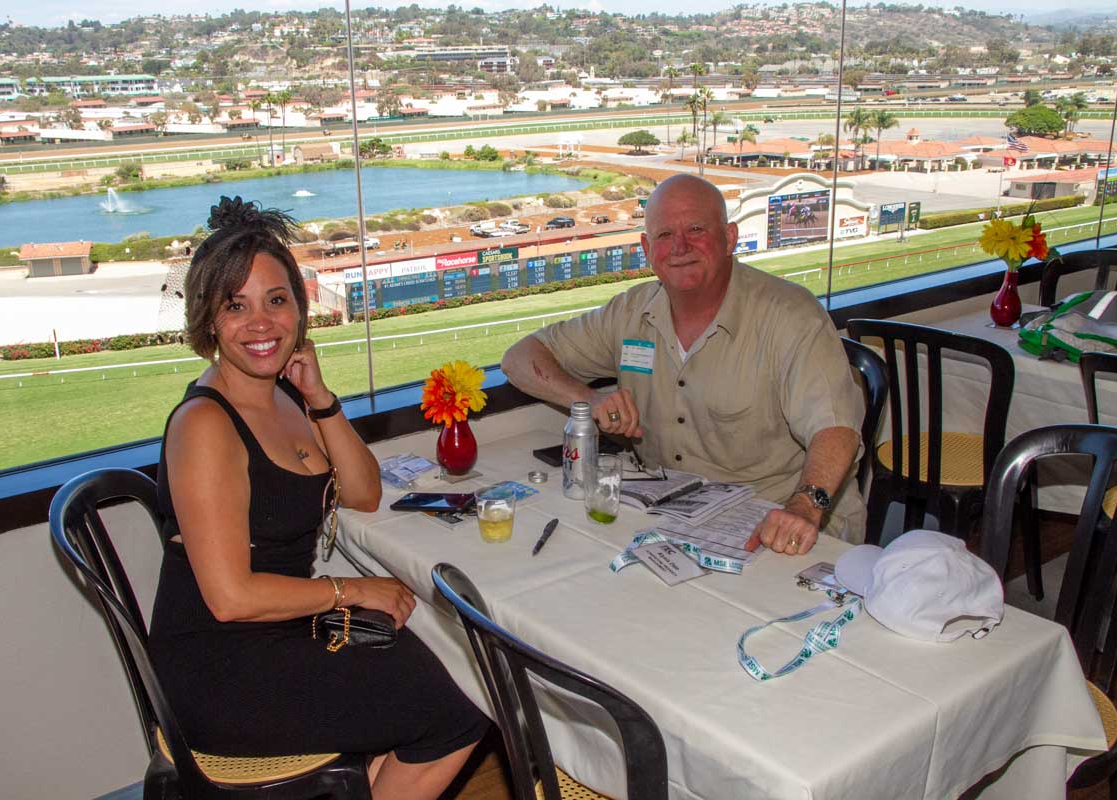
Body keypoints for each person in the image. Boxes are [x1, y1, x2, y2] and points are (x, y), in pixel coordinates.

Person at [148, 196, 487, 799]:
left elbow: (363, 492)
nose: (261, 324)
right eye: (236, 306)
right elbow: (229, 598)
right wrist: (353, 590)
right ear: (207, 319)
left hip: (281, 631)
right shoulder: (205, 425)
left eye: (276, 301)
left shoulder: (283, 395)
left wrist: (321, 398)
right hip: (220, 668)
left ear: (300, 310)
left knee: (443, 666)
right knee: (459, 714)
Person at [501, 174, 866, 552]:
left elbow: (835, 427)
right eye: (664, 235)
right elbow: (519, 359)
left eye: (696, 229)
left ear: (729, 238)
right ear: (647, 248)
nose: (680, 246)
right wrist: (588, 401)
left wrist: (805, 505)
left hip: (776, 516)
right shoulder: (629, 312)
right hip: (674, 516)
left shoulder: (791, 315)